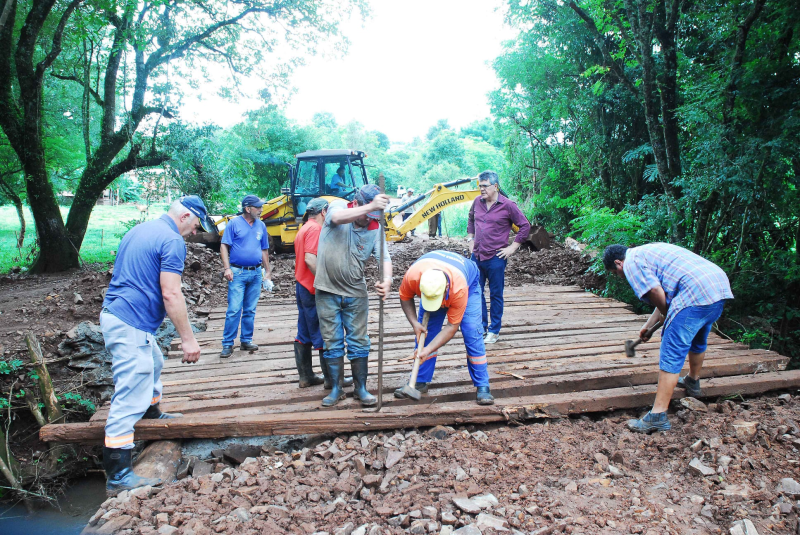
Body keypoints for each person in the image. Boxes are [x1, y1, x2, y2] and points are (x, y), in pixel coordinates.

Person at [101, 196, 213, 496]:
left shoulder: (142, 229)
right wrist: (188, 339)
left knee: (154, 362)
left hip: (121, 316)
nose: (194, 232)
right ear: (185, 215)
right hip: (130, 322)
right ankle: (119, 472)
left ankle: (151, 411)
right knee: (128, 396)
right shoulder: (172, 241)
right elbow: (171, 294)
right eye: (195, 225)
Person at [603, 243, 734, 433]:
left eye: (615, 273)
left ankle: (657, 416)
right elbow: (662, 291)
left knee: (671, 350)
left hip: (694, 292)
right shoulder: (647, 252)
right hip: (716, 286)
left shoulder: (631, 263)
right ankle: (692, 380)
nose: (619, 277)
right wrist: (648, 326)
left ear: (618, 263)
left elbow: (656, 293)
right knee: (697, 337)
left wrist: (668, 313)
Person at [315, 184, 392, 407]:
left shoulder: (375, 227)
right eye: (367, 214)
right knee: (332, 341)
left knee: (359, 341)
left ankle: (360, 388)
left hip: (356, 294)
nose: (368, 220)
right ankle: (337, 388)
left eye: (373, 216)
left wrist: (387, 281)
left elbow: (384, 258)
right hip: (327, 291)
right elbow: (337, 218)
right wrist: (370, 206)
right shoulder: (339, 207)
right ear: (357, 204)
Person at [396, 250, 494, 405]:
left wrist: (427, 350)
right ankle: (419, 381)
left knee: (471, 332)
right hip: (437, 279)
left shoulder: (459, 289)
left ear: (446, 287)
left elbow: (451, 327)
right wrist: (414, 323)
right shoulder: (413, 276)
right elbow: (405, 296)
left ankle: (483, 385)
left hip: (469, 283)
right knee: (425, 333)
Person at [293, 198, 353, 389]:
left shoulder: (303, 228)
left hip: (302, 285)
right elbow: (310, 259)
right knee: (325, 332)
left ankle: (306, 376)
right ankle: (332, 380)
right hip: (313, 288)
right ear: (324, 212)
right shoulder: (315, 230)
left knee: (304, 332)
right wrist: (325, 282)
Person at [468, 170, 531, 344]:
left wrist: (512, 247)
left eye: (485, 186)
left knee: (496, 294)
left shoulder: (508, 205)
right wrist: (470, 238)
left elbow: (525, 226)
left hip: (496, 257)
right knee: (475, 292)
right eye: (479, 186)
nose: (481, 189)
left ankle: (494, 331)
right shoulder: (477, 202)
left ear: (495, 186)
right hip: (477, 256)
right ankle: (481, 327)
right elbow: (471, 218)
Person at [219, 195, 273, 358]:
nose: (261, 210)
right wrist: (227, 268)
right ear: (248, 209)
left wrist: (268, 271)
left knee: (250, 309)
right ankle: (228, 343)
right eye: (258, 207)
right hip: (238, 273)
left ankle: (246, 340)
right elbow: (224, 245)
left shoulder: (261, 225)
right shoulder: (234, 224)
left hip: (256, 273)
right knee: (234, 309)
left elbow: (264, 249)